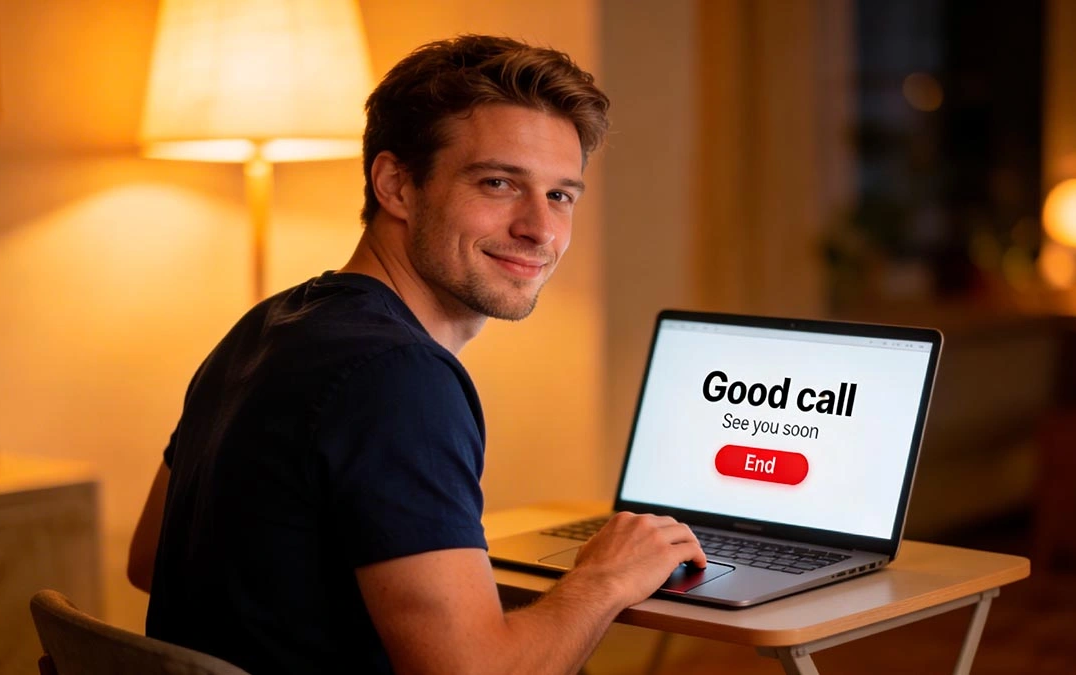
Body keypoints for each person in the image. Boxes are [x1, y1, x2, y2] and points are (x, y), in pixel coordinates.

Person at [127, 34, 705, 675]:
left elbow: (153, 559)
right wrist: (603, 579)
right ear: (396, 185)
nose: (539, 228)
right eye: (497, 182)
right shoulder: (397, 379)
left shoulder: (270, 323)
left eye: (561, 195)